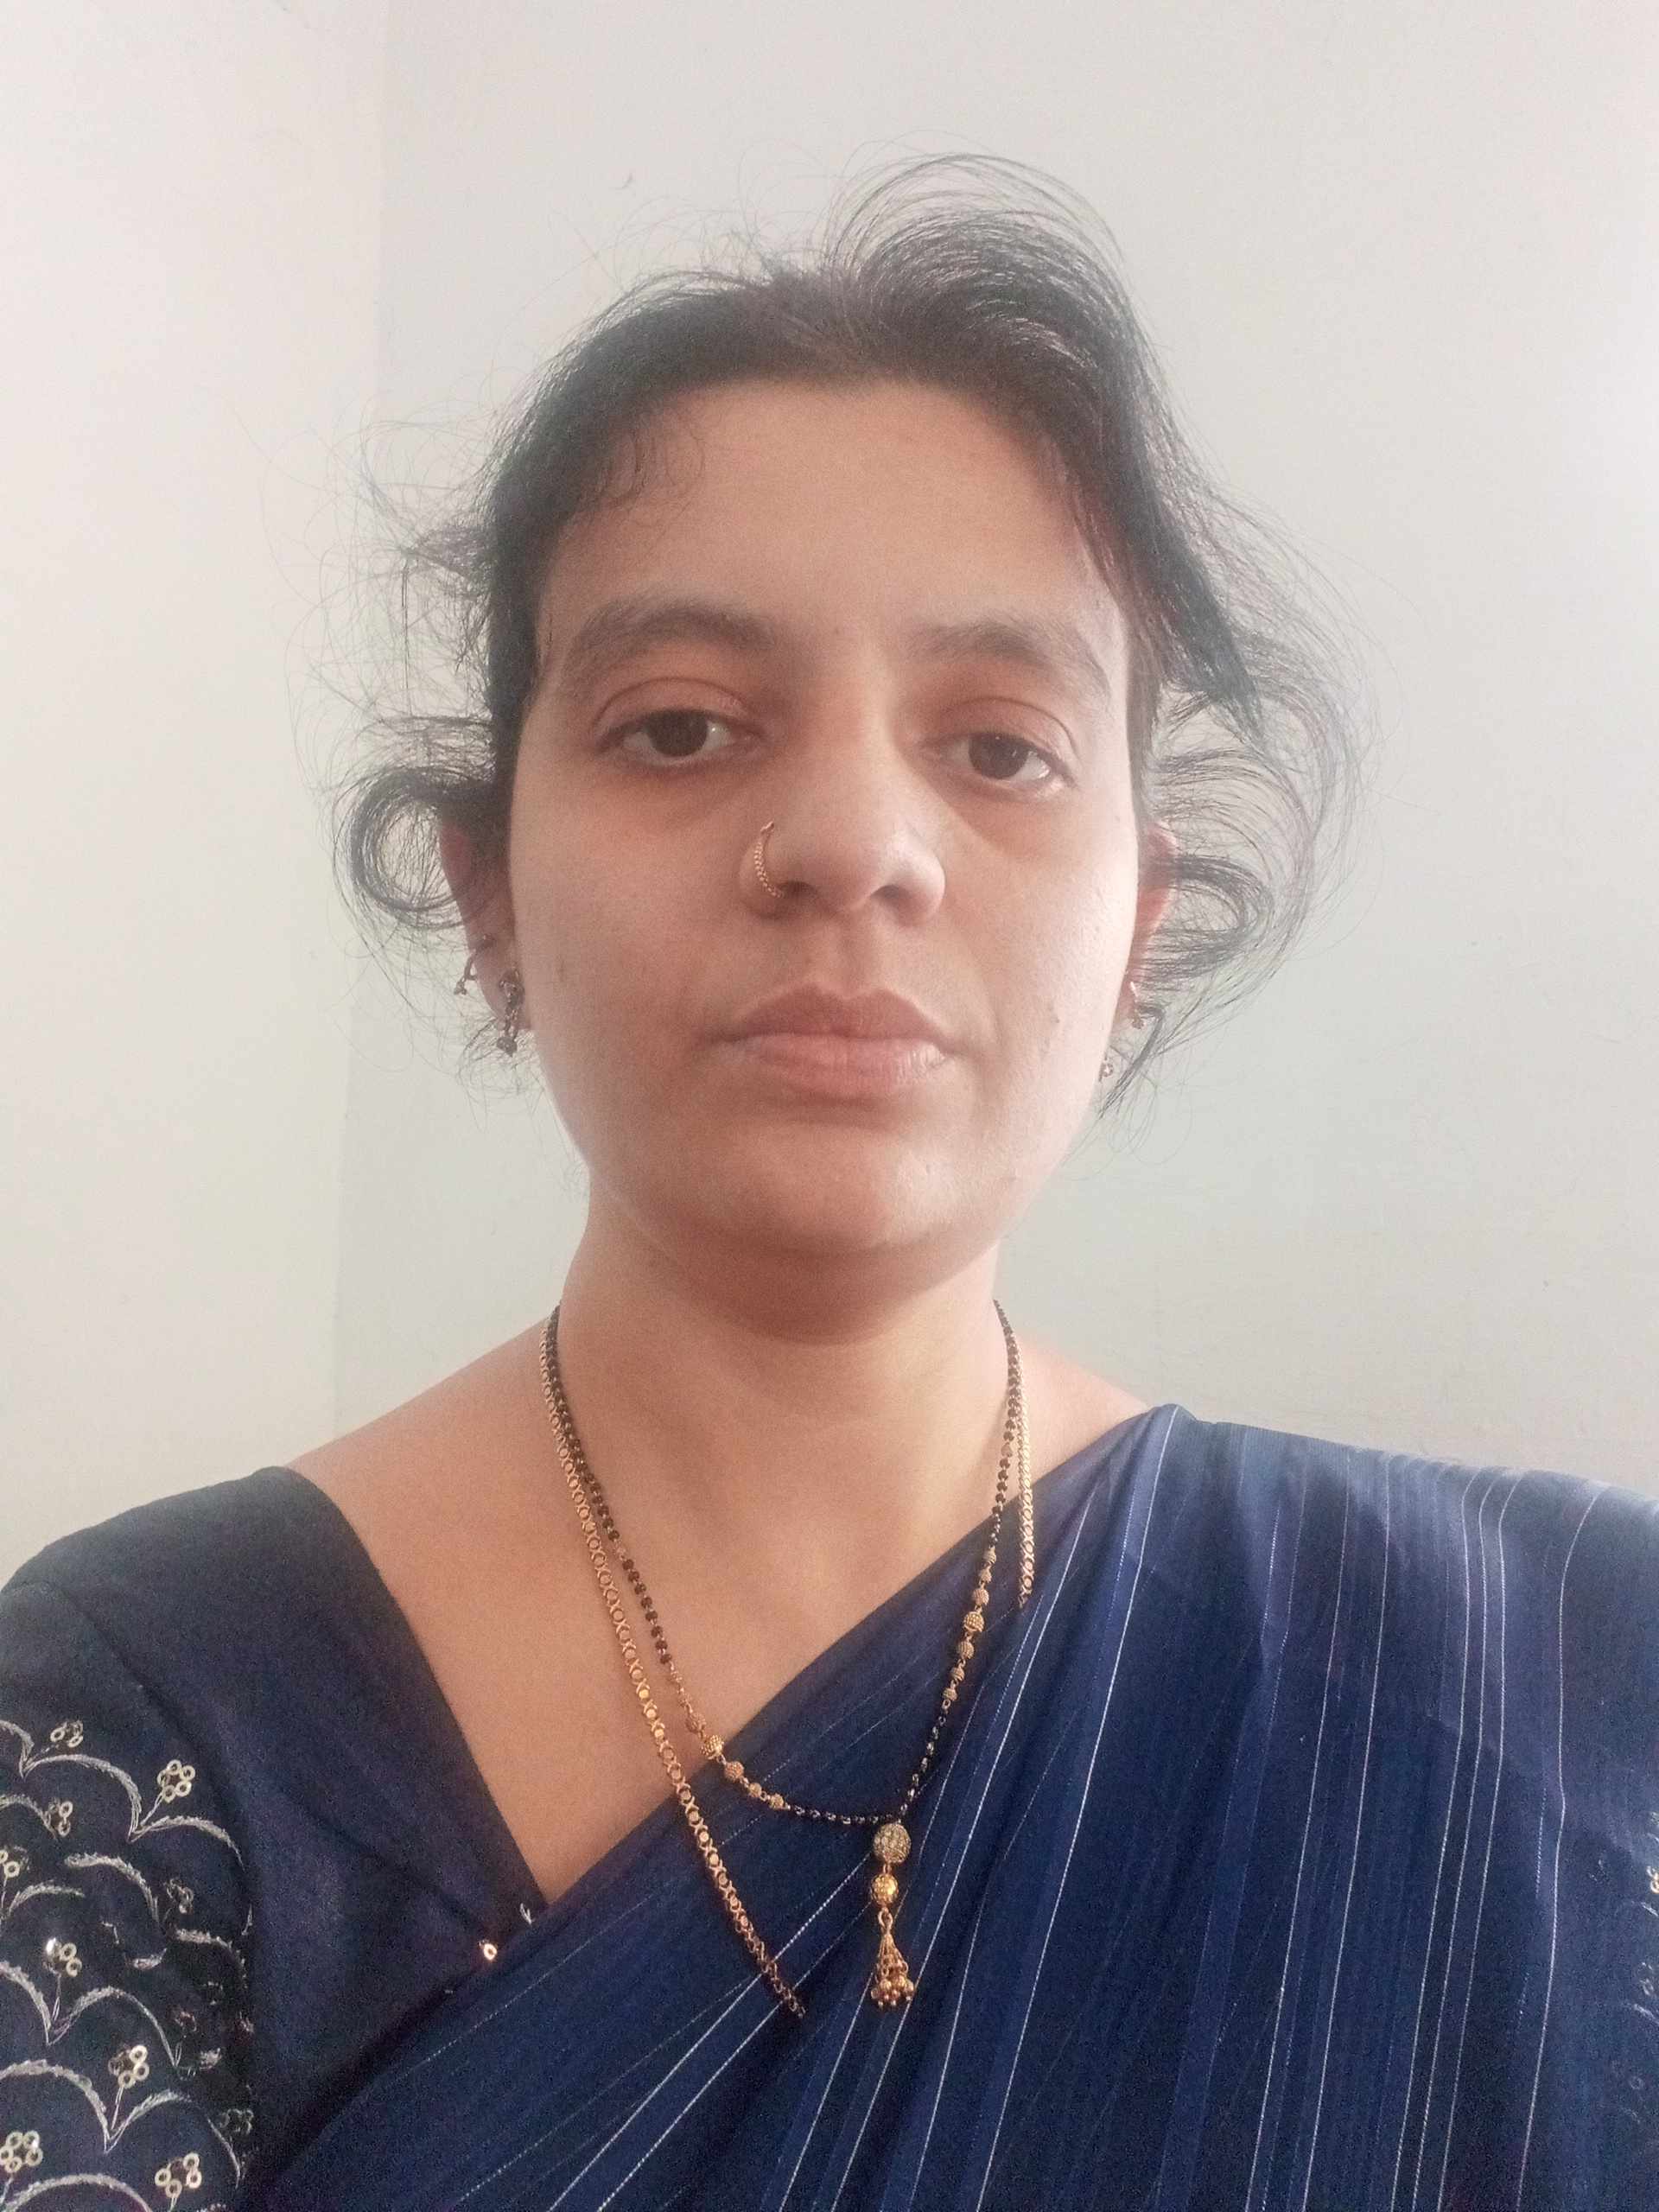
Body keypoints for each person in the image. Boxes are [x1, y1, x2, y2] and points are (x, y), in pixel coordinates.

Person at [2, 154, 1652, 2211]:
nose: (854, 840)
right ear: (489, 890)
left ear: (1139, 927)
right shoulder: (143, 1720)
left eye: (1002, 745)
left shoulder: (1546, 1684)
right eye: (682, 727)